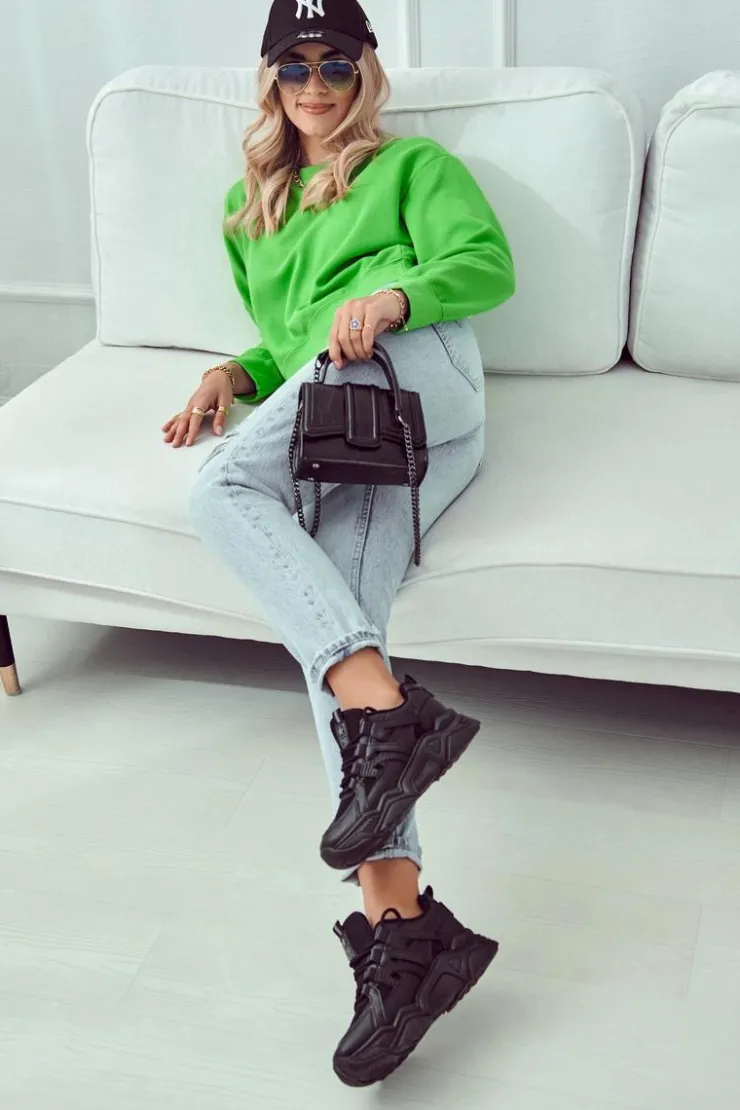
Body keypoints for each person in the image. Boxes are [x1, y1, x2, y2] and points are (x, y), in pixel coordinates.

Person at [163, 0, 515, 1088]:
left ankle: (390, 714)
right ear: (269, 81)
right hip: (335, 415)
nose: (314, 85)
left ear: (364, 74)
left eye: (334, 64)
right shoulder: (247, 209)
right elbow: (286, 343)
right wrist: (234, 371)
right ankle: (406, 935)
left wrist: (395, 296)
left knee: (223, 487)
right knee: (346, 621)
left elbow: (485, 265)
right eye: (294, 66)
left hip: (424, 378)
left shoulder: (412, 168)